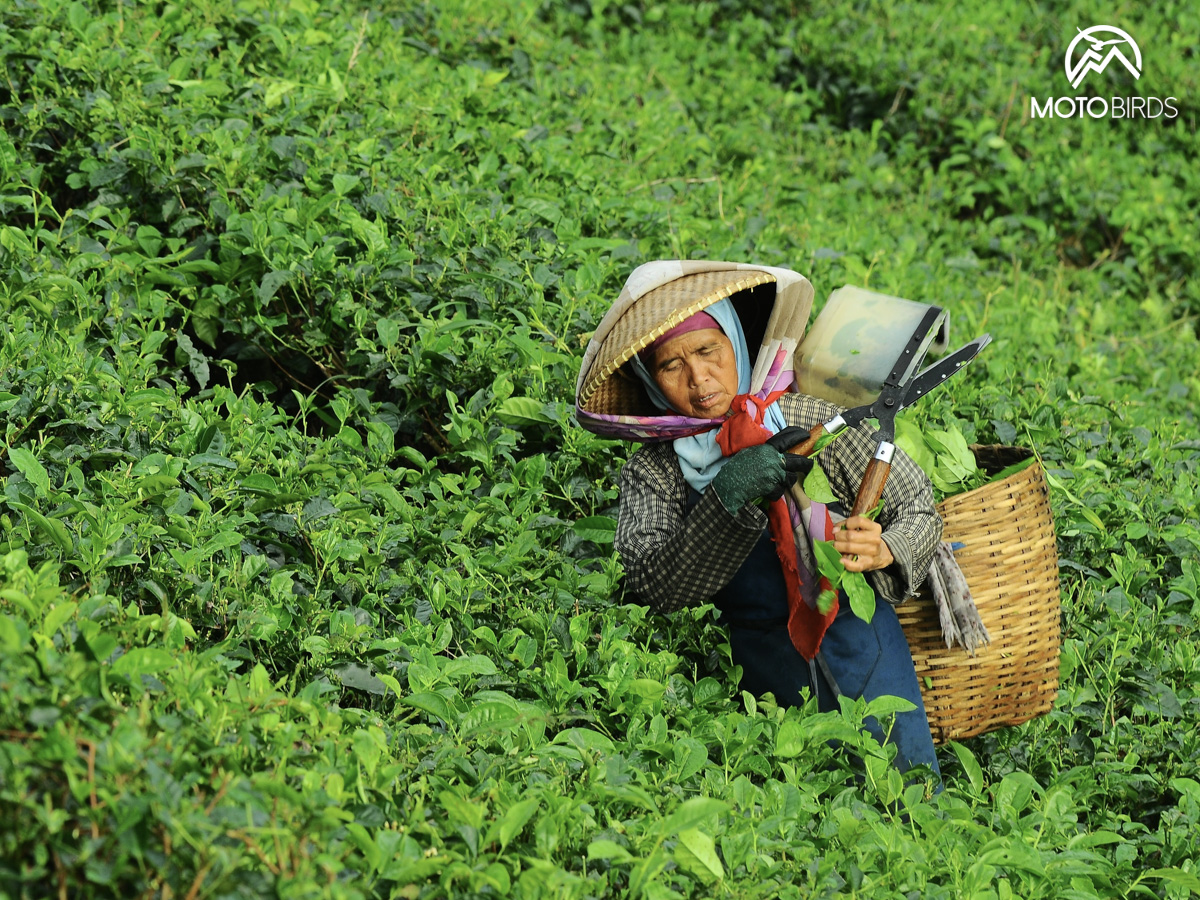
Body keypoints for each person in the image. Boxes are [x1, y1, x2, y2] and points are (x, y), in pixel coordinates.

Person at [607, 290, 943, 782]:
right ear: (649, 381)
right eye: (671, 366)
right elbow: (651, 582)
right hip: (763, 677)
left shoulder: (808, 419)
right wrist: (728, 495)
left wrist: (887, 547)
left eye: (708, 352)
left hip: (868, 653)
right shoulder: (654, 472)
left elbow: (917, 506)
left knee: (911, 800)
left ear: (736, 345)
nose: (699, 380)